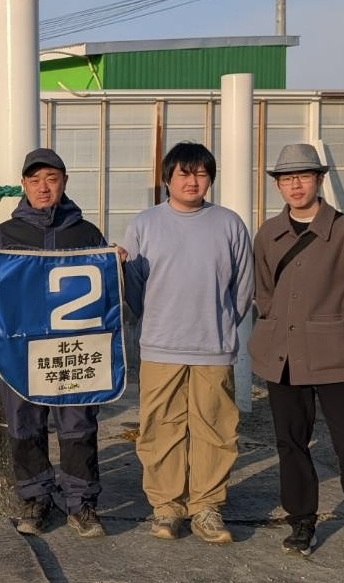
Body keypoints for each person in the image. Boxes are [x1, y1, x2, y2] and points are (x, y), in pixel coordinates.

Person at [249, 143, 344, 568]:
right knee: (291, 443)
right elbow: (263, 293)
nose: (295, 185)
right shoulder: (268, 234)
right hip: (284, 359)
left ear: (319, 179)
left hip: (339, 359)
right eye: (286, 178)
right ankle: (301, 522)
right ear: (278, 185)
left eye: (303, 176)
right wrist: (273, 329)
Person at [121, 141, 253, 544]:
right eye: (184, 173)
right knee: (160, 427)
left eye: (201, 173)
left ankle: (207, 507)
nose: (193, 181)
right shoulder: (145, 224)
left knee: (216, 427)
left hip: (212, 345)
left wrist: (225, 323)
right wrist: (154, 321)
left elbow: (243, 287)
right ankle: (166, 506)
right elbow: (134, 288)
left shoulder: (229, 223)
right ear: (167, 179)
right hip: (161, 345)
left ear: (210, 178)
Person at [0, 148, 107, 538]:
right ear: (24, 186)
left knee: (78, 427)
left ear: (64, 181)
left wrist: (116, 262)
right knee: (24, 426)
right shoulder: (6, 235)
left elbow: (107, 289)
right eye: (34, 180)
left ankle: (81, 504)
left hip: (73, 351)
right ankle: (36, 498)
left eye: (51, 178)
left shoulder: (87, 233)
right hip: (21, 352)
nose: (43, 187)